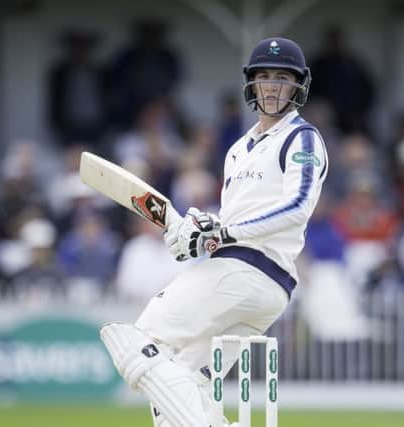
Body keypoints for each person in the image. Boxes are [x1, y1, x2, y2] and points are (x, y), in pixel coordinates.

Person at [100, 37, 328, 427]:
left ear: (299, 86)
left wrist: (223, 231)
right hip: (241, 274)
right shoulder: (238, 149)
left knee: (139, 342)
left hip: (252, 270)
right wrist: (193, 234)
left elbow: (297, 207)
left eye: (282, 78)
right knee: (177, 385)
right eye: (265, 77)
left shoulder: (301, 138)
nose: (272, 86)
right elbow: (229, 219)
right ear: (252, 85)